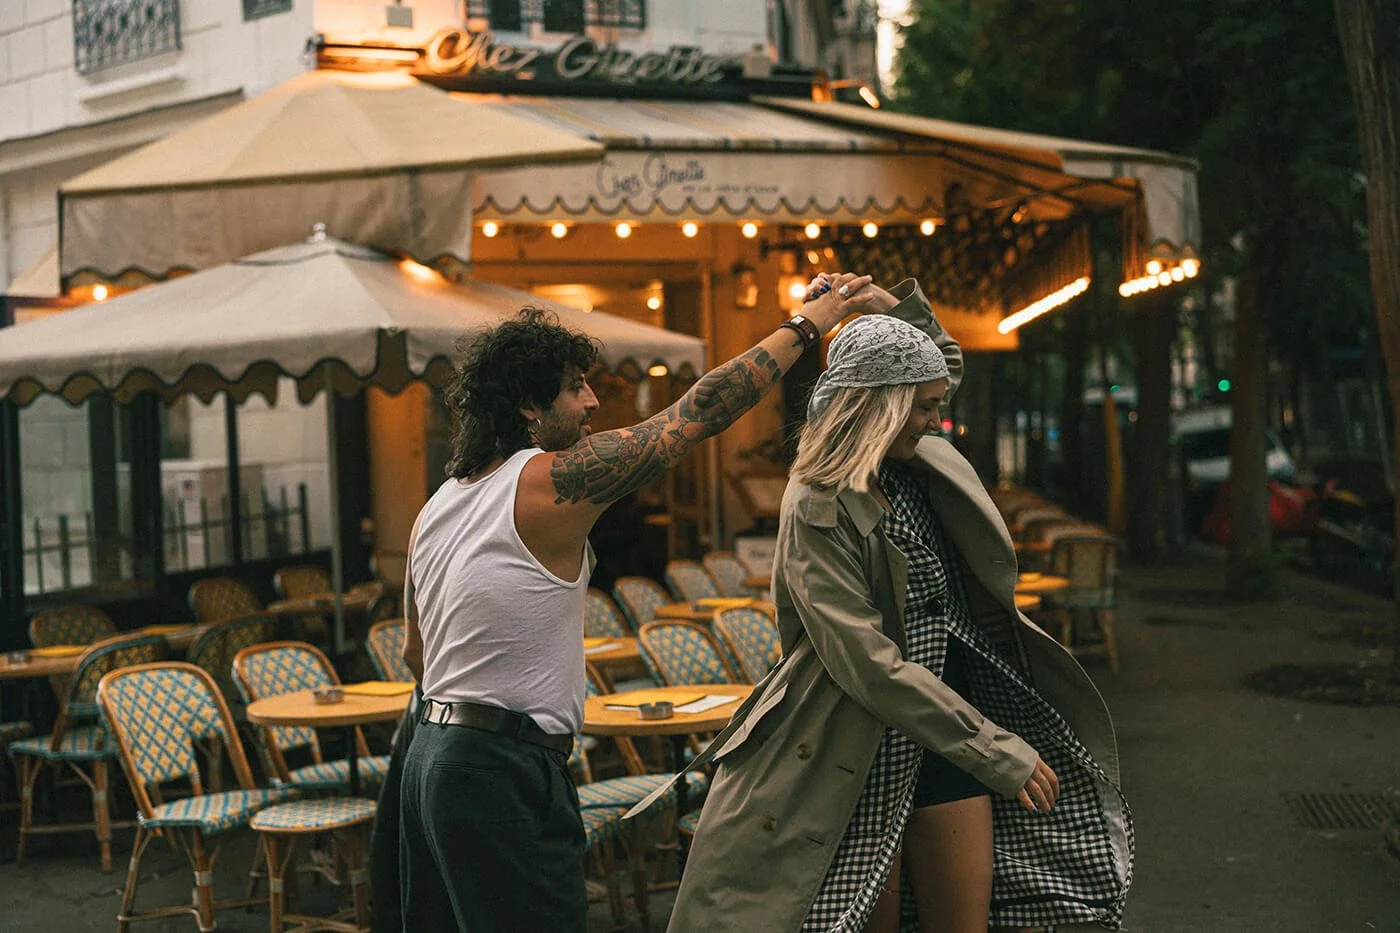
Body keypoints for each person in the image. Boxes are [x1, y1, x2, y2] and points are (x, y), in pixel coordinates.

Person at [639, 277, 1133, 933]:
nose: (937, 420)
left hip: (950, 718)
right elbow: (867, 663)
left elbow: (936, 364)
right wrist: (995, 750)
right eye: (925, 407)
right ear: (882, 404)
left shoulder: (907, 457)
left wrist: (883, 304)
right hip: (857, 737)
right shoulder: (817, 502)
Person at [393, 277, 876, 933]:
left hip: (432, 757)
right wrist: (807, 324)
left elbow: (415, 654)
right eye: (575, 387)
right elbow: (698, 413)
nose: (593, 400)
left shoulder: (438, 503)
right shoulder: (548, 480)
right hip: (497, 768)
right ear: (529, 405)